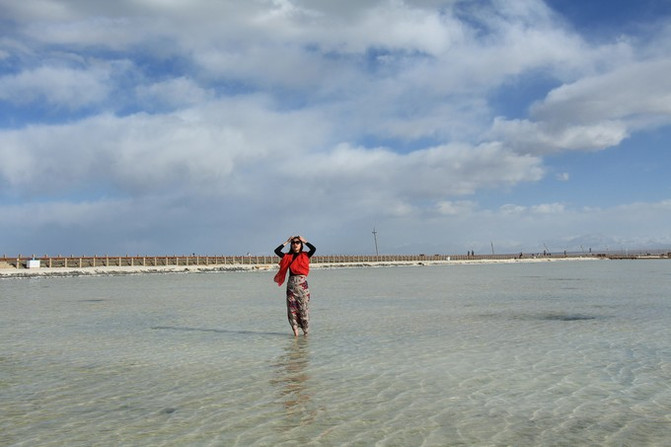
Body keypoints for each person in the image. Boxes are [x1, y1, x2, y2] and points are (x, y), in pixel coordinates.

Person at [274, 235, 316, 337]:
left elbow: (313, 249)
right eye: (293, 243)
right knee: (292, 309)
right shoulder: (287, 257)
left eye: (297, 242)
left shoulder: (305, 255)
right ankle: (296, 334)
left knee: (303, 309)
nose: (295, 244)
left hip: (302, 286)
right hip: (291, 286)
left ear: (300, 244)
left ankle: (306, 334)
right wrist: (287, 241)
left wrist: (305, 241)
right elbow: (277, 251)